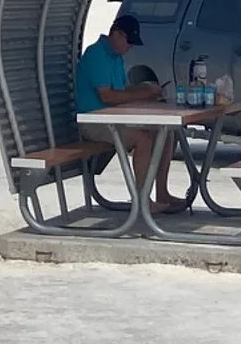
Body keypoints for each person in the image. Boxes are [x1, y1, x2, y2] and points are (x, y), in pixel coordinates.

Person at [73, 11, 182, 211]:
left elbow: (123, 91)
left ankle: (162, 191)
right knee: (143, 139)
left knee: (166, 133)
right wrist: (143, 94)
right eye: (129, 41)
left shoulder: (116, 57)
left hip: (112, 119)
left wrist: (147, 90)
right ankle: (142, 200)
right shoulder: (97, 54)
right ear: (117, 34)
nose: (130, 46)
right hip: (93, 122)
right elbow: (109, 96)